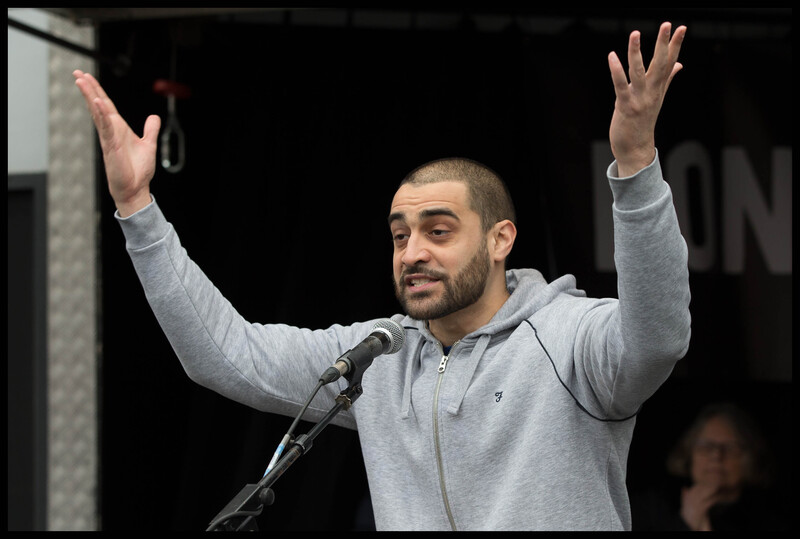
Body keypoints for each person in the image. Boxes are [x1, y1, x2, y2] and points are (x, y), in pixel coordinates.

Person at [74, 21, 690, 531]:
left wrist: (634, 164)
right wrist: (138, 210)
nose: (412, 252)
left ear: (501, 239)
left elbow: (658, 335)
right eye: (400, 236)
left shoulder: (570, 339)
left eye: (438, 231)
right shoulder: (378, 356)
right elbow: (226, 354)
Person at [631, 402, 788, 531]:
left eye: (730, 448)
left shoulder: (770, 519)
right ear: (689, 453)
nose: (716, 456)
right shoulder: (652, 506)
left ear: (749, 458)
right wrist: (686, 522)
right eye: (706, 447)